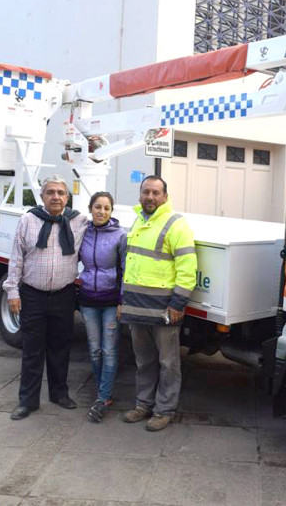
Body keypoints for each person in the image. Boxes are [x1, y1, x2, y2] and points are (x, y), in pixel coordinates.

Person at [4, 174, 88, 420]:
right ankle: (27, 401)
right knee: (32, 349)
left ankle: (59, 394)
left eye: (61, 193)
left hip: (63, 294)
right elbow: (16, 258)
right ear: (42, 197)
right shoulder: (28, 221)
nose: (56, 197)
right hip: (32, 295)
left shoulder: (79, 221)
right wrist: (12, 291)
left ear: (67, 198)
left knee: (60, 347)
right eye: (50, 192)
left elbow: (103, 227)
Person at [120, 175, 197, 432]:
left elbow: (188, 269)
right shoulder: (138, 221)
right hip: (136, 307)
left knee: (168, 363)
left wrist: (177, 305)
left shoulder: (176, 224)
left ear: (165, 196)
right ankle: (143, 405)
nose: (150, 197)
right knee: (144, 361)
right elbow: (131, 265)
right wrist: (124, 301)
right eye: (146, 192)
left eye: (155, 192)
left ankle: (164, 410)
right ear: (140, 194)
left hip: (164, 309)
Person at [78, 191, 127, 423]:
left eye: (107, 208)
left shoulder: (120, 236)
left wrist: (121, 300)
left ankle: (103, 396)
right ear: (90, 208)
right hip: (88, 298)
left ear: (111, 211)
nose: (102, 212)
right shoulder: (83, 233)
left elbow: (126, 270)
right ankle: (102, 393)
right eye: (98, 207)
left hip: (110, 301)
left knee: (109, 350)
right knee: (94, 348)